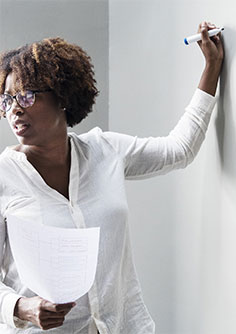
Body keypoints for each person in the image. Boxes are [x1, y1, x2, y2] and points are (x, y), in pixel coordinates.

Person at [0, 20, 224, 333]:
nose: (14, 110)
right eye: (7, 100)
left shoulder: (104, 150)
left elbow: (179, 150)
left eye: (26, 96)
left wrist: (212, 66)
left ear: (62, 96)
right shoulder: (4, 178)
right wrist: (21, 307)